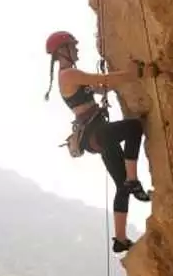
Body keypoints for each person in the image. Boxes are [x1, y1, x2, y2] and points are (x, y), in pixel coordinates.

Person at [44, 30, 156, 253]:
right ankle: (133, 179)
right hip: (96, 132)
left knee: (120, 186)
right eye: (72, 46)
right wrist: (136, 74)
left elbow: (103, 85)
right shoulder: (68, 75)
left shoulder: (72, 76)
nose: (76, 49)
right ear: (62, 52)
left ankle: (120, 239)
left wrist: (122, 76)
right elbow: (102, 80)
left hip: (96, 135)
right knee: (134, 127)